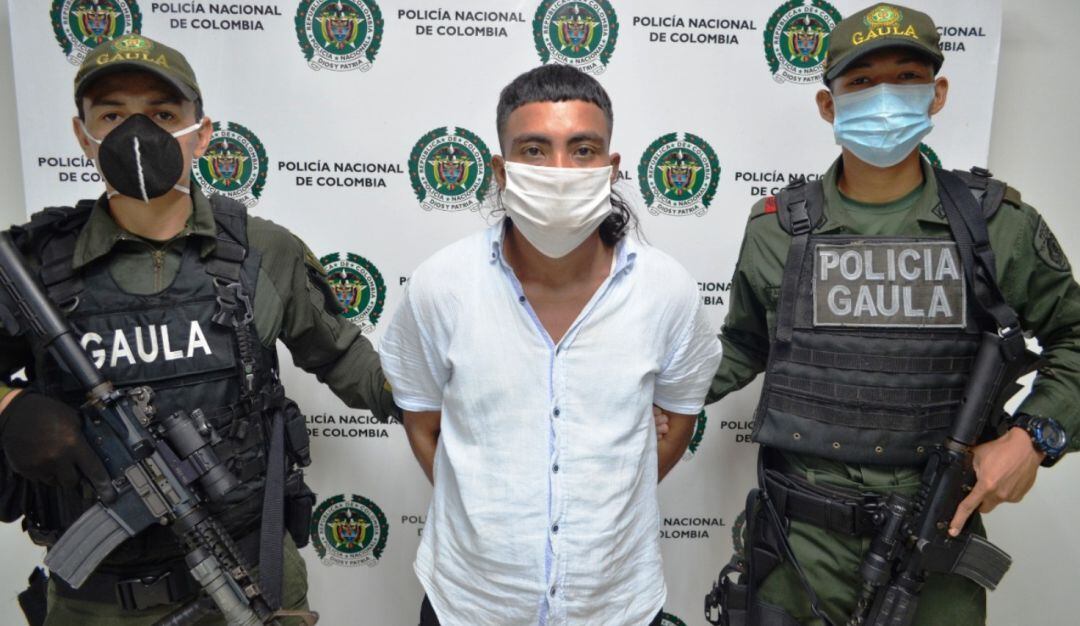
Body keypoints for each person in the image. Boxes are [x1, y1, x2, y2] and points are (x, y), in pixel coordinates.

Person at [0, 33, 398, 625]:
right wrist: (10, 406)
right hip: (96, 603)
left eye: (163, 115)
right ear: (83, 136)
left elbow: (344, 358)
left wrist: (435, 406)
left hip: (252, 575)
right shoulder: (33, 266)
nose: (138, 134)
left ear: (201, 132)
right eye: (112, 116)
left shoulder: (263, 251)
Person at [703, 4, 1079, 625]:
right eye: (861, 81)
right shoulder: (778, 229)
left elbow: (1074, 337)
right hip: (797, 544)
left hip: (933, 535)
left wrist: (1032, 438)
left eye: (907, 78)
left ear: (938, 93)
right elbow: (743, 345)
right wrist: (654, 395)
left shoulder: (997, 227)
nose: (885, 98)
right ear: (828, 105)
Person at [378, 64, 722, 625]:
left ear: (611, 168)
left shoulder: (667, 291)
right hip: (470, 604)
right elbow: (422, 423)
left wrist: (603, 512)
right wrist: (488, 522)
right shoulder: (442, 285)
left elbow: (677, 422)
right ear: (501, 171)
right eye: (534, 150)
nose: (560, 171)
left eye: (583, 150)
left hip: (614, 607)